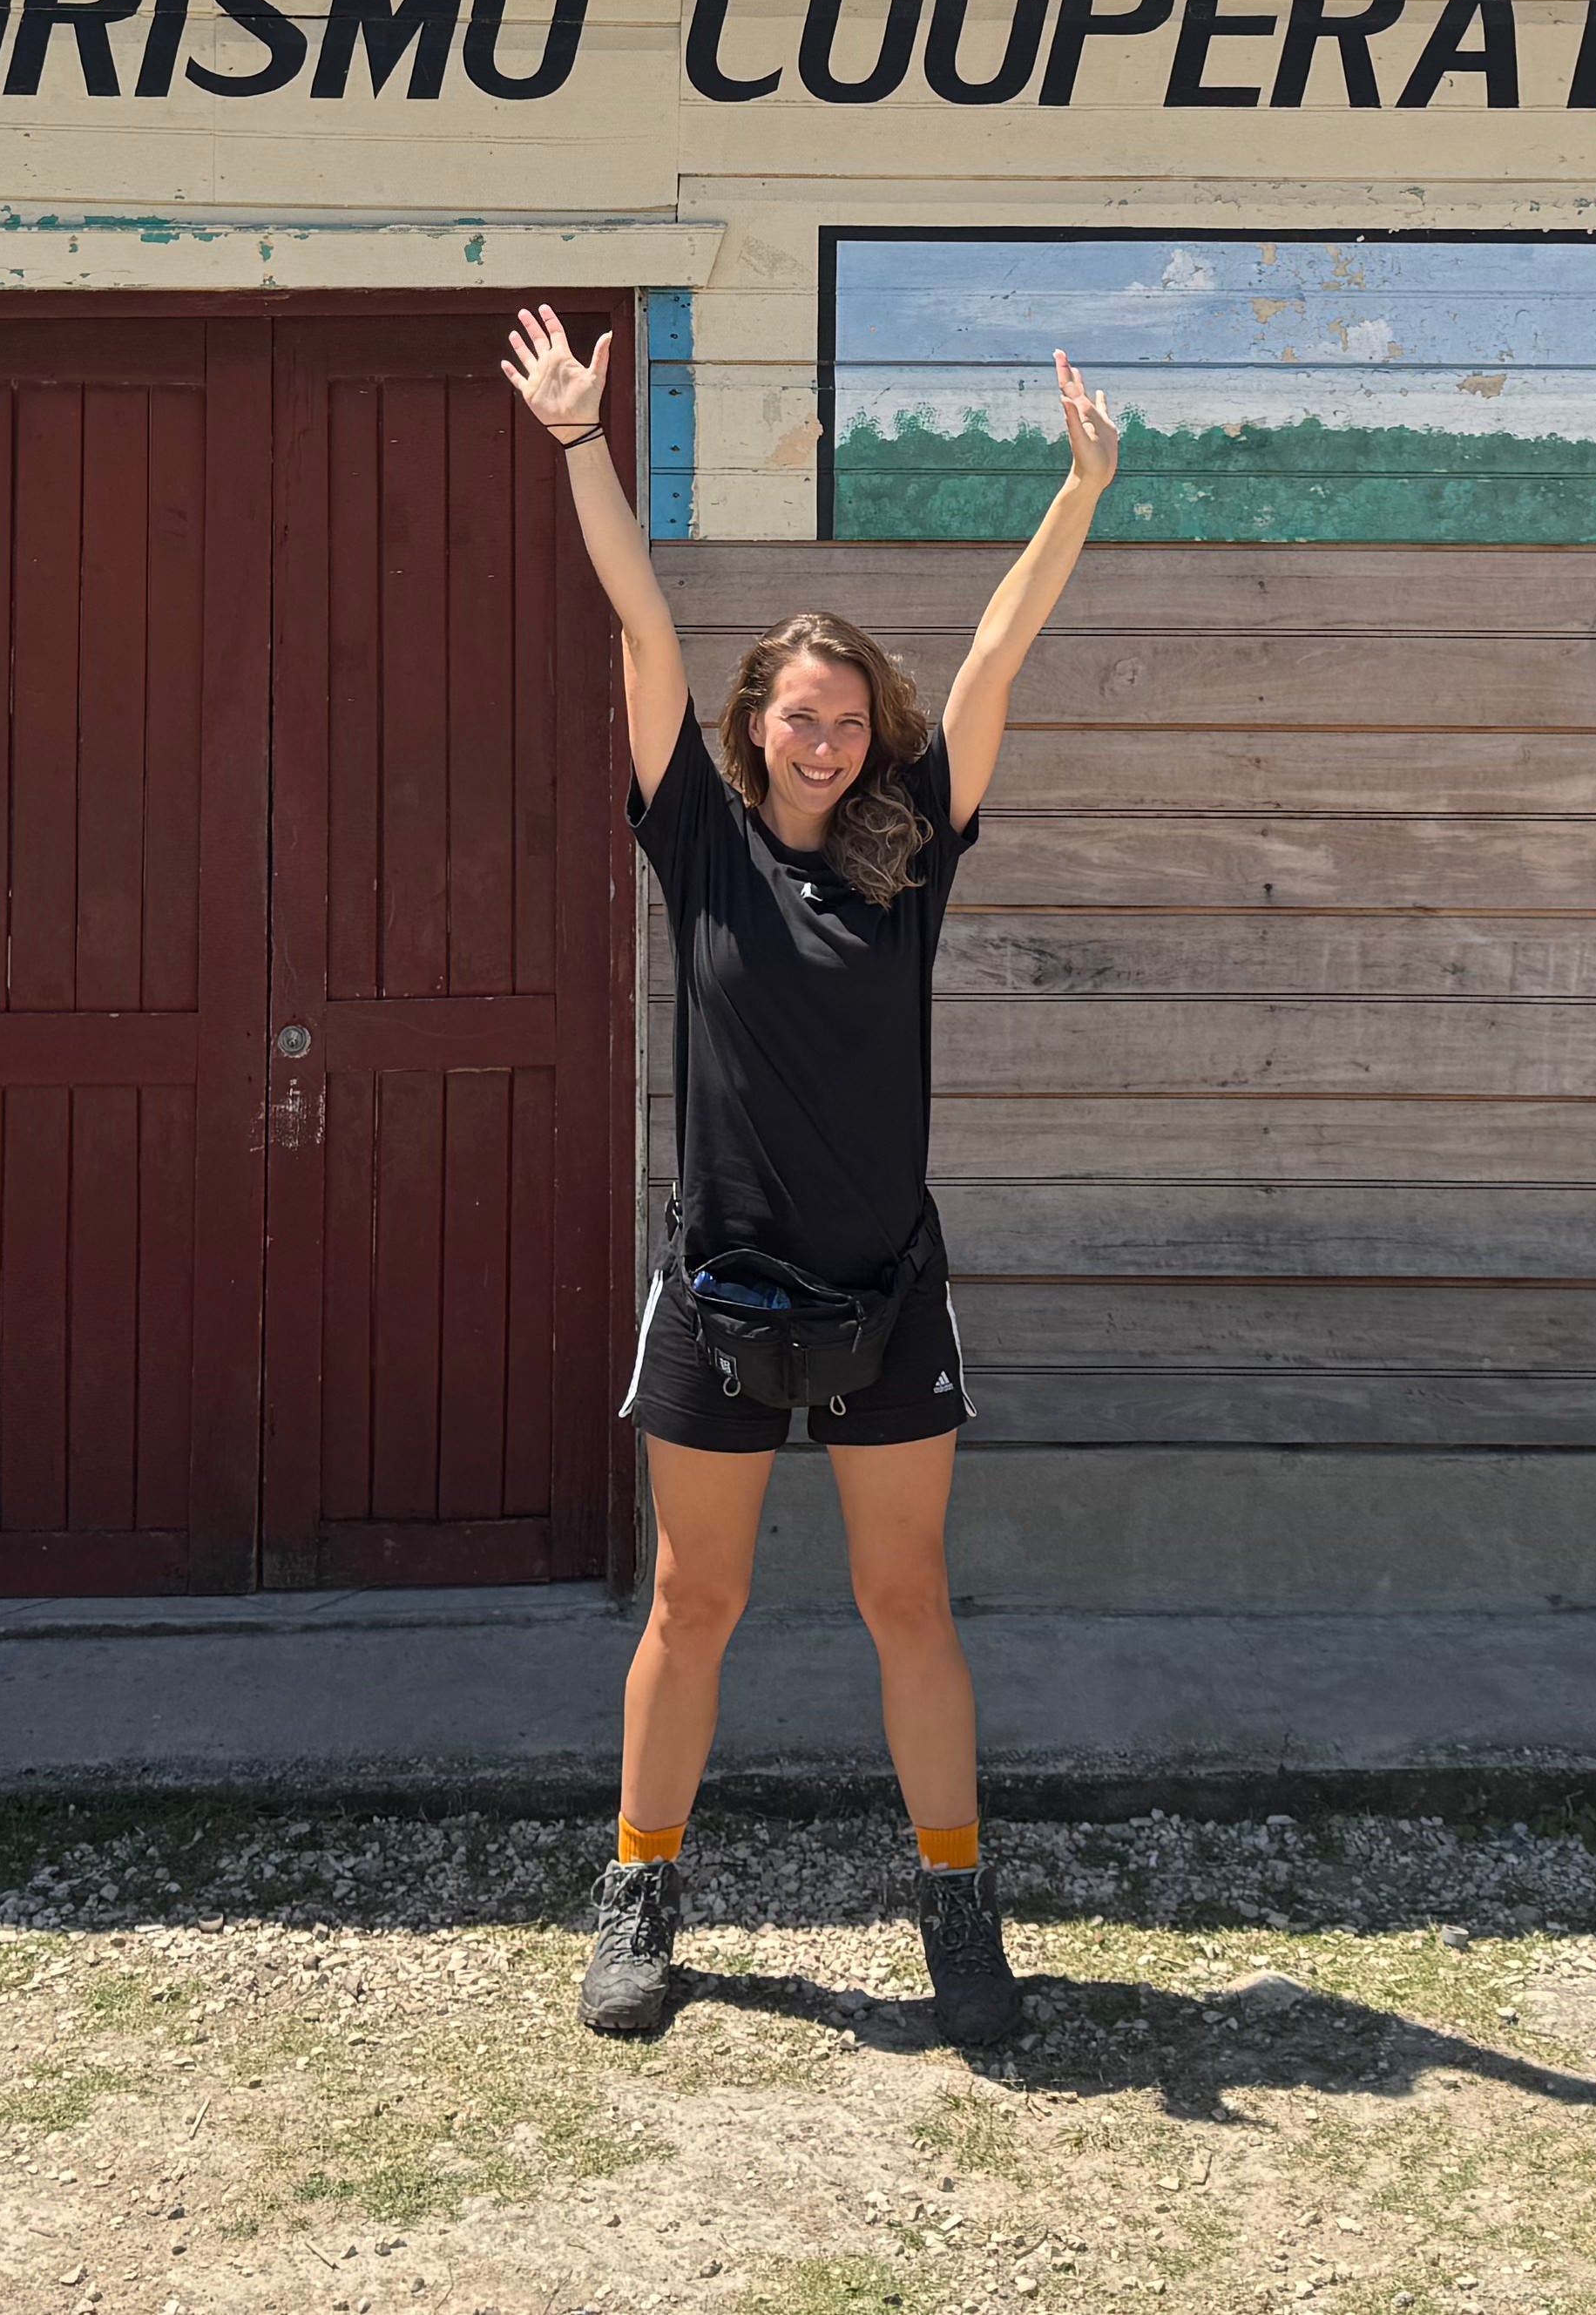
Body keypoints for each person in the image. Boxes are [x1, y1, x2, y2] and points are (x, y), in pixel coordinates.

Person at [497, 300, 1119, 2052]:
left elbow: (993, 664)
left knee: (906, 1602)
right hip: (719, 1296)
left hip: (883, 1300)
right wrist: (575, 444)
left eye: (850, 718)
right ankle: (639, 1888)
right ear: (755, 726)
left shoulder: (911, 859)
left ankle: (956, 1904)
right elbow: (637, 618)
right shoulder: (692, 842)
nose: (826, 741)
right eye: (798, 716)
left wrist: (1077, 495)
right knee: (694, 1603)